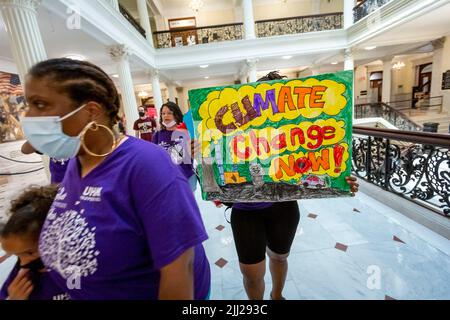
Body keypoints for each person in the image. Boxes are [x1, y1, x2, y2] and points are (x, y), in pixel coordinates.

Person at [20, 58, 210, 300]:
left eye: (40, 104)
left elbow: (179, 271)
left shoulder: (146, 166)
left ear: (91, 112)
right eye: (28, 104)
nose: (29, 116)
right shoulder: (77, 162)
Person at [221, 71, 359, 300]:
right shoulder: (236, 133)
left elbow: (322, 166)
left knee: (279, 257)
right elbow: (218, 175)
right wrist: (204, 156)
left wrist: (343, 181)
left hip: (283, 208)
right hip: (246, 212)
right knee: (252, 274)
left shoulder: (298, 134)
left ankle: (277, 295)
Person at [0, 185, 69, 300]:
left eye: (30, 253)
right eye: (18, 256)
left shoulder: (84, 269)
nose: (23, 263)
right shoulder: (24, 273)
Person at [152, 101, 197, 192]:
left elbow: (193, 154)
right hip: (166, 178)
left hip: (187, 176)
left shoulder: (186, 132)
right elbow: (154, 158)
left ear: (176, 115)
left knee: (186, 205)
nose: (165, 116)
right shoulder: (157, 135)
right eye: (163, 113)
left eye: (169, 113)